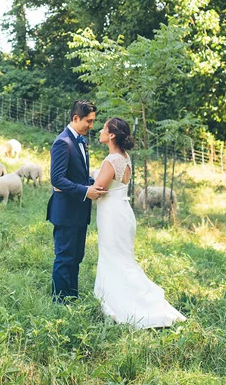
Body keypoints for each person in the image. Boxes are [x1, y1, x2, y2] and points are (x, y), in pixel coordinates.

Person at [92, 116, 186, 327]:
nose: (100, 131)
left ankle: (126, 304)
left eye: (103, 129)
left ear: (112, 135)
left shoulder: (111, 160)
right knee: (122, 258)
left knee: (113, 257)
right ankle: (126, 297)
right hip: (123, 212)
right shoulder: (125, 157)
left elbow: (98, 190)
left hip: (112, 215)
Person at [47, 99, 108, 302]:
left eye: (92, 122)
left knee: (76, 257)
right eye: (88, 121)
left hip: (80, 211)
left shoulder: (81, 141)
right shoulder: (62, 142)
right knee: (64, 257)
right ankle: (59, 301)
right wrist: (85, 191)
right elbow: (57, 178)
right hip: (66, 212)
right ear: (75, 118)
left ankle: (71, 296)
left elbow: (78, 176)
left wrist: (94, 183)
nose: (91, 126)